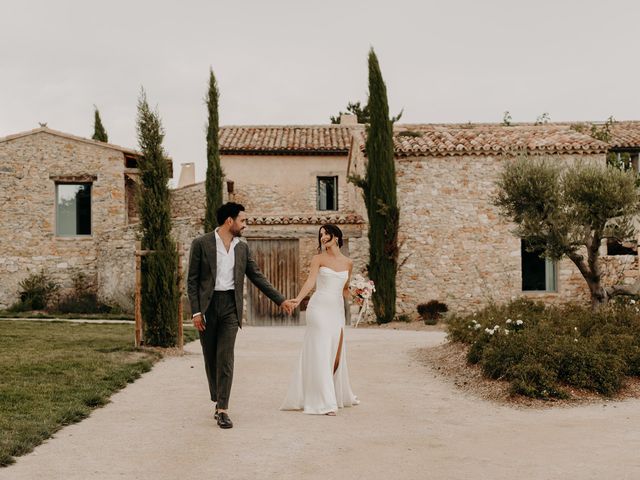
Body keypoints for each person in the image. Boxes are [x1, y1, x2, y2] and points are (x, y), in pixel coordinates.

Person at [187, 202, 295, 429]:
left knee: (225, 357)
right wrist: (196, 311)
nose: (245, 225)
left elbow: (257, 276)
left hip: (230, 308)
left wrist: (281, 300)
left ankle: (223, 409)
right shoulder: (201, 244)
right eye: (242, 220)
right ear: (229, 221)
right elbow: (193, 281)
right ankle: (217, 398)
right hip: (207, 307)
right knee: (211, 358)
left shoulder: (242, 248)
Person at [280, 224, 359, 415]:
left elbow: (345, 289)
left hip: (337, 311)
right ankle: (324, 402)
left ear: (337, 237)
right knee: (322, 352)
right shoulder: (318, 259)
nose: (323, 237)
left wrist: (359, 295)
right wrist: (298, 299)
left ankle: (331, 393)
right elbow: (310, 281)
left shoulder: (348, 263)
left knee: (336, 355)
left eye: (326, 234)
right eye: (321, 235)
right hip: (319, 309)